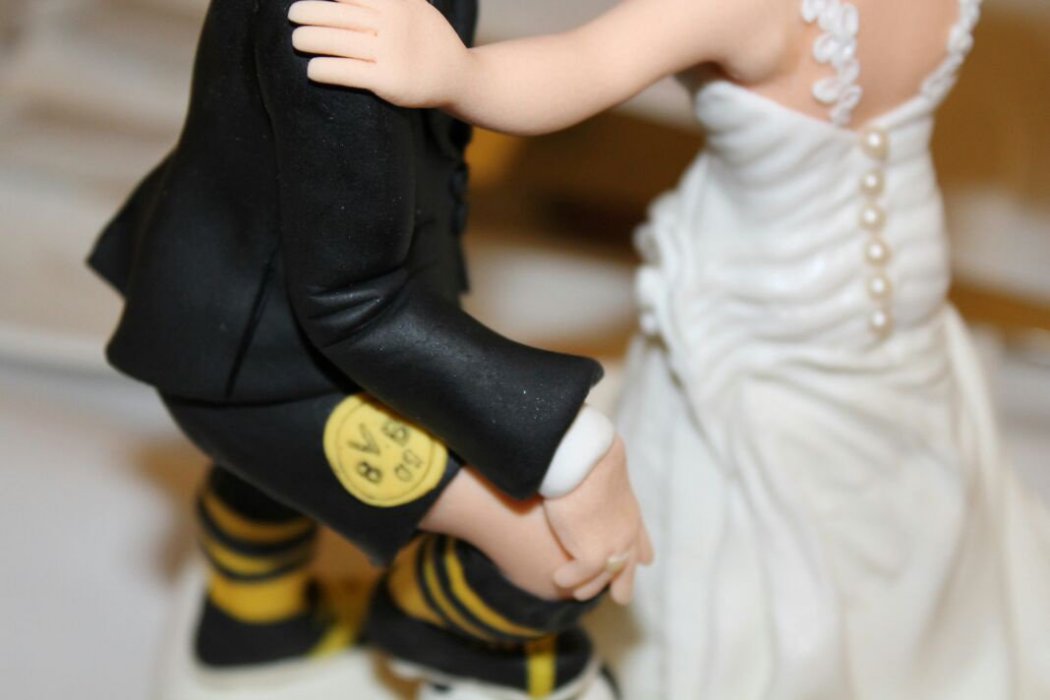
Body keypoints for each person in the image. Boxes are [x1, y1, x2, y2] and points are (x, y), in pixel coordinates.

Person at [288, 0, 1050, 697]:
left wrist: (460, 74)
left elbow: (584, 64)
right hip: (904, 285)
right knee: (897, 496)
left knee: (756, 511)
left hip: (765, 314)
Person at [87, 0, 651, 697]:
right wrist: (573, 449)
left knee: (277, 474)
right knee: (557, 554)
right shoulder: (338, 14)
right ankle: (432, 637)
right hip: (270, 364)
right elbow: (356, 304)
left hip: (267, 310)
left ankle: (252, 617)